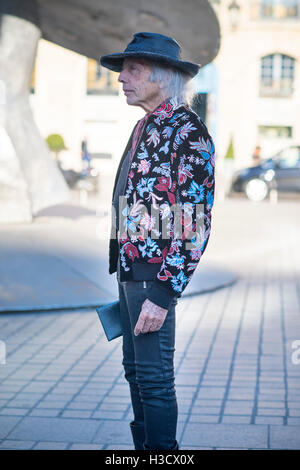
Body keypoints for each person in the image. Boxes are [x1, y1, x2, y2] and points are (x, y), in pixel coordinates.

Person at [100, 32, 215, 450]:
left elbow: (195, 222)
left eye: (132, 69)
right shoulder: (144, 126)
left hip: (155, 278)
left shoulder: (187, 131)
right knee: (136, 372)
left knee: (154, 377)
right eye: (122, 70)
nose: (121, 79)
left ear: (163, 76)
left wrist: (165, 290)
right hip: (132, 272)